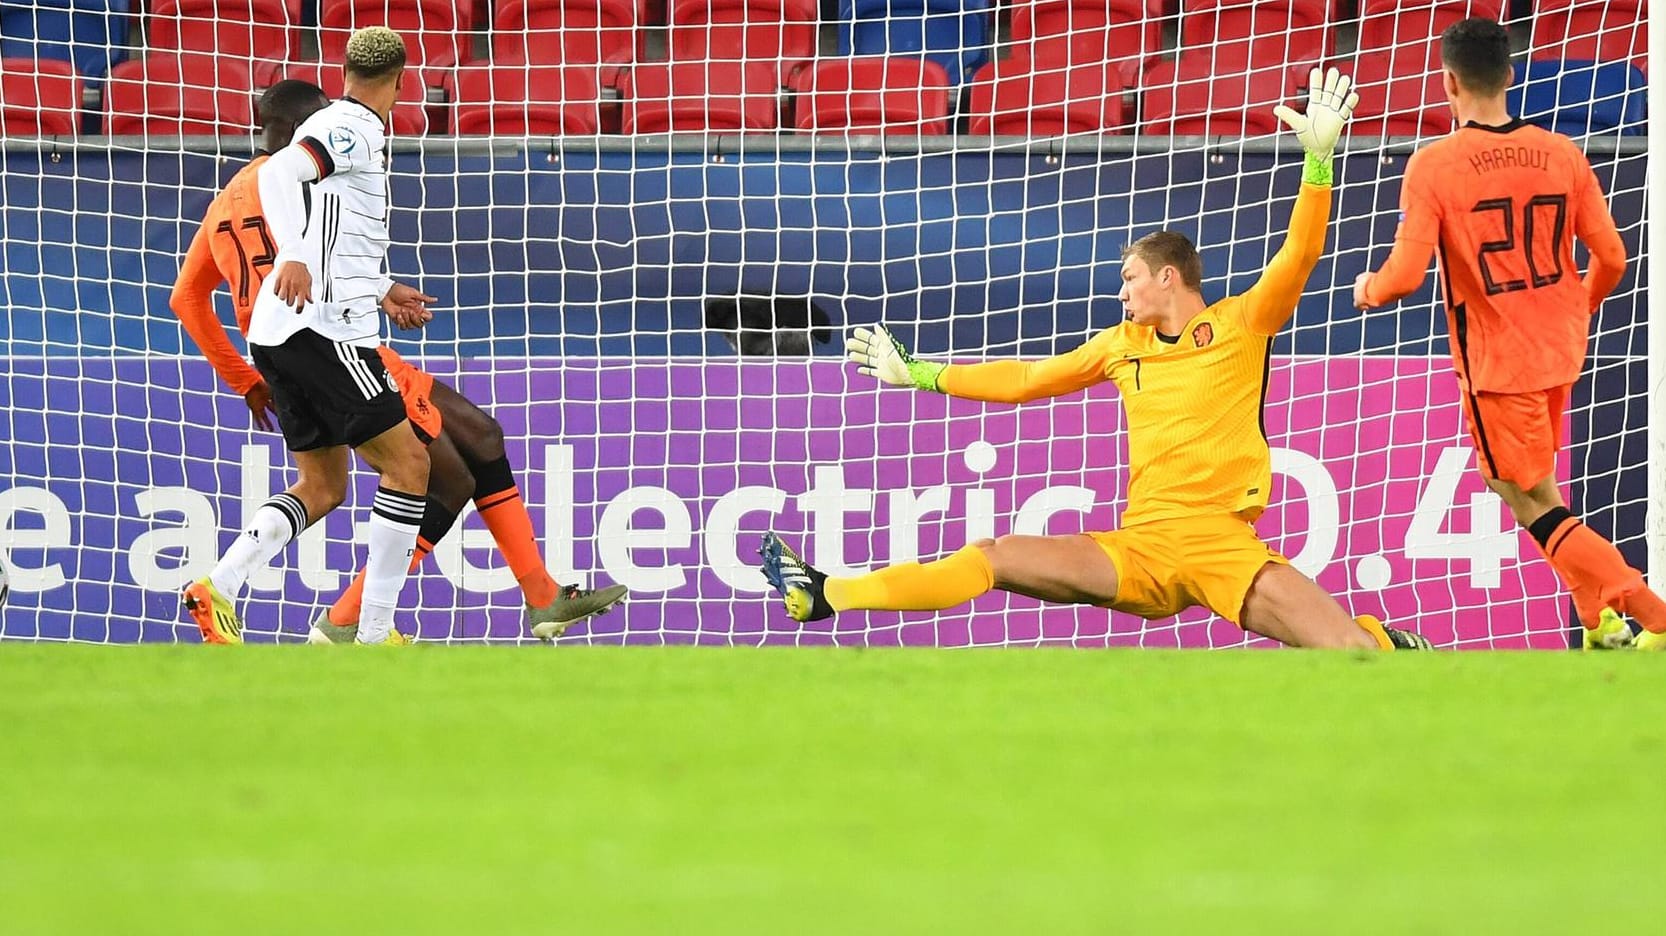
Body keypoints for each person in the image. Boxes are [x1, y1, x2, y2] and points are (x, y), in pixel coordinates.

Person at [760, 69, 1430, 650]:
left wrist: (1317, 166)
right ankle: (828, 594)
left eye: (1130, 276)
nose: (1122, 289)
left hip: (1220, 545)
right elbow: (1028, 379)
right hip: (1138, 550)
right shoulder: (1120, 346)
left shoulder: (1241, 323)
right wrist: (924, 373)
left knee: (1346, 649)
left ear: (1169, 278)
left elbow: (1300, 257)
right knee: (993, 555)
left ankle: (1387, 643)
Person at [171, 76, 626, 645]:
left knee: (337, 484)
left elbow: (186, 298)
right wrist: (382, 291)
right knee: (437, 468)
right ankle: (358, 624)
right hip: (332, 343)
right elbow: (337, 254)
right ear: (303, 127)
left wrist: (245, 379)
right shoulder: (301, 180)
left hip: (276, 356)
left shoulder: (225, 202)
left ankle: (231, 587)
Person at [1352, 18, 1664, 651]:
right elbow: (1612, 257)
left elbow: (1406, 275)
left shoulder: (1436, 164)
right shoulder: (1561, 152)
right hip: (1559, 349)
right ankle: (1596, 620)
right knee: (1527, 486)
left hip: (1499, 362)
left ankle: (1651, 614)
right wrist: (1579, 305)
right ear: (1511, 75)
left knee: (1526, 498)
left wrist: (1368, 288)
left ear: (1447, 81)